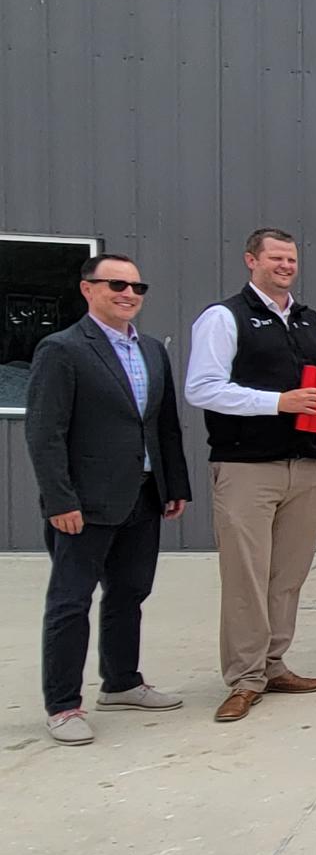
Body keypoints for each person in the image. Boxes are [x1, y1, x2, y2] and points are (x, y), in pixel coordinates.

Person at [26, 253, 191, 745]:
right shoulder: (63, 349)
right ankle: (63, 705)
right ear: (87, 289)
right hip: (84, 502)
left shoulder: (152, 352)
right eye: (117, 284)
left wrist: (173, 485)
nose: (129, 295)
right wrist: (60, 500)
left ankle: (121, 682)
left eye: (138, 288)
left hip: (143, 496)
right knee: (70, 602)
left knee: (129, 593)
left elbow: (163, 426)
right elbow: (44, 433)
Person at [185, 227, 316, 724]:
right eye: (275, 258)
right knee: (246, 577)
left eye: (291, 258)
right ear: (251, 260)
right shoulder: (223, 318)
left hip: (308, 465)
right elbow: (202, 389)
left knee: (288, 576)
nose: (285, 265)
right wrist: (277, 403)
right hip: (247, 467)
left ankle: (274, 664)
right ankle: (244, 677)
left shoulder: (312, 322)